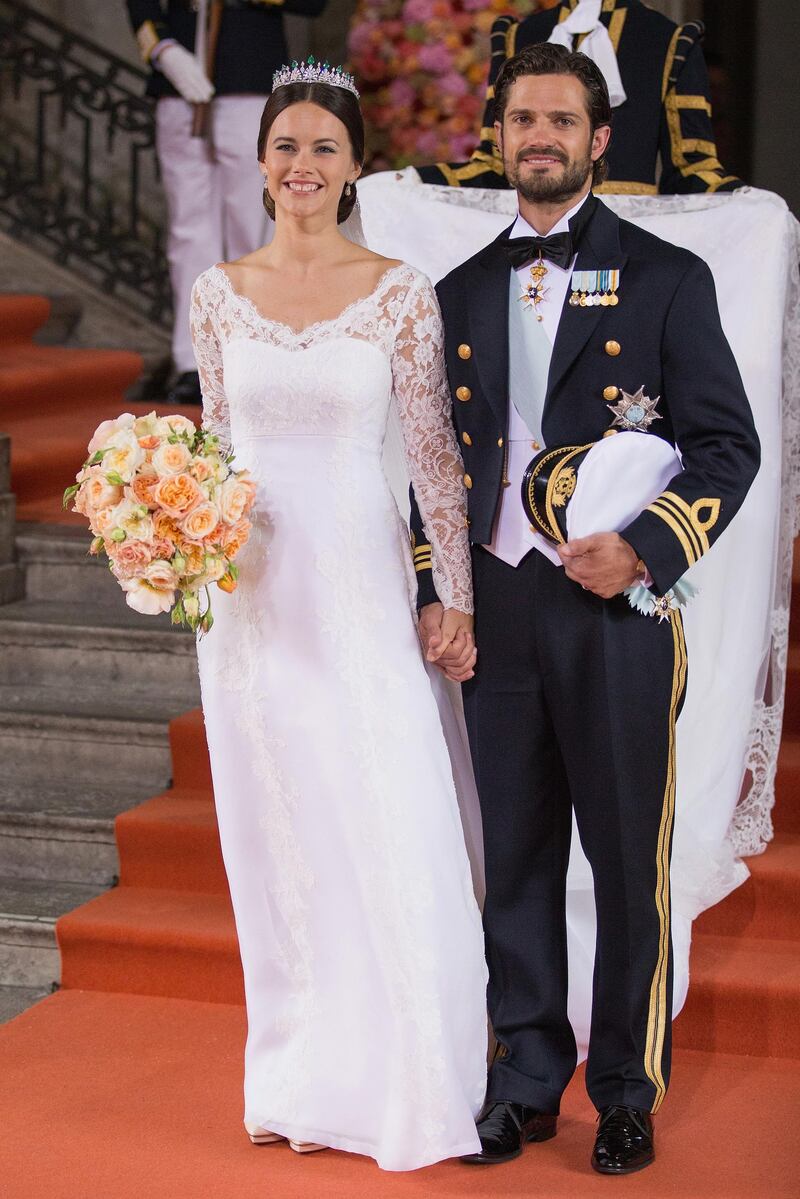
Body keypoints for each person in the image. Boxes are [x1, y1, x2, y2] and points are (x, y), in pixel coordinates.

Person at [411, 41, 759, 1173]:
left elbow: (724, 447)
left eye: (560, 121)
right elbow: (425, 471)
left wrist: (648, 548)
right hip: (500, 611)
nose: (539, 139)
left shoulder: (665, 276)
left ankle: (622, 1086)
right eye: (520, 122)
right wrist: (438, 590)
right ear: (498, 137)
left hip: (614, 612)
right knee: (509, 853)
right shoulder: (454, 290)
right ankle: (521, 1079)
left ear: (598, 138)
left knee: (621, 857)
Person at [188, 59, 488, 1171]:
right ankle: (301, 1070)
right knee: (281, 828)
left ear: (356, 165)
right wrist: (169, 540)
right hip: (255, 602)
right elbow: (213, 452)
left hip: (360, 590)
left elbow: (435, 465)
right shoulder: (218, 292)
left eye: (323, 146)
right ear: (260, 163)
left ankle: (414, 1074)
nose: (302, 165)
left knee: (384, 805)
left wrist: (447, 593)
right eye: (285, 145)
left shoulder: (401, 291)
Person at [126, 0, 327, 405]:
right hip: (180, 81)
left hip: (249, 75)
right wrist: (164, 49)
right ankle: (191, 360)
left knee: (251, 226)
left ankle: (250, 353)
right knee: (188, 231)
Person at [419, 0, 741, 195]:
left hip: (628, 240)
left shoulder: (670, 40)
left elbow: (690, 169)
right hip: (530, 231)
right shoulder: (518, 35)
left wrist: (748, 202)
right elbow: (493, 163)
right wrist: (412, 181)